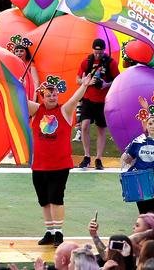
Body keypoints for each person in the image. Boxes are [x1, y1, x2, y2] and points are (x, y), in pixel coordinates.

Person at [27, 73, 94, 247]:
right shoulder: (36, 110)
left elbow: (75, 97)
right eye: (48, 95)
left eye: (54, 94)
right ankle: (49, 232)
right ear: (42, 97)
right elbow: (18, 102)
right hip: (39, 165)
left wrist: (84, 85)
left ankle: (59, 233)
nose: (52, 97)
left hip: (59, 165)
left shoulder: (64, 110)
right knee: (44, 200)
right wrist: (18, 88)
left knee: (56, 198)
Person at [76, 38, 120, 170]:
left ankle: (98, 158)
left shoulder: (110, 63)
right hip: (88, 99)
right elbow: (77, 79)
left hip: (103, 101)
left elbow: (118, 79)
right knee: (84, 126)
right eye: (96, 53)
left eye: (100, 53)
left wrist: (106, 84)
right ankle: (86, 156)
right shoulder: (87, 61)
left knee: (101, 129)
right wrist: (84, 81)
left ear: (104, 51)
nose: (98, 55)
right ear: (93, 50)